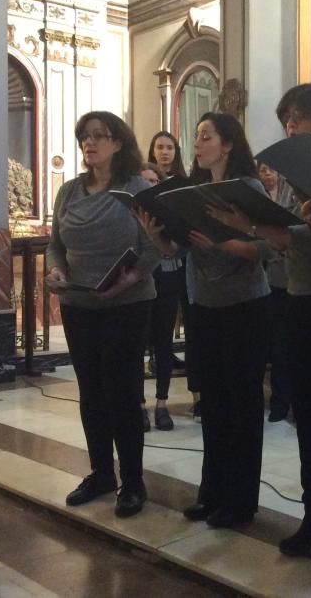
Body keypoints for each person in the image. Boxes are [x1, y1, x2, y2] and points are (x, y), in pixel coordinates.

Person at [209, 83, 311, 571]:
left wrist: (260, 230)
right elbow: (290, 236)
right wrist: (262, 225)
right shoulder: (286, 173)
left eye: (299, 117)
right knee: (308, 415)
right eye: (286, 118)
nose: (290, 126)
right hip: (300, 299)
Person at [141, 112, 271, 529]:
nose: (197, 143)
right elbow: (176, 251)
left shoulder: (247, 188)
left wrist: (222, 239)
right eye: (196, 137)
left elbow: (264, 249)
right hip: (203, 303)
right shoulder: (190, 192)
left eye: (206, 136)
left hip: (244, 304)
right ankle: (212, 492)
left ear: (228, 144)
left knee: (242, 405)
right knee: (212, 403)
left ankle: (240, 500)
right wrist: (155, 235)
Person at [46, 111, 160, 518]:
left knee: (122, 391)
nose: (89, 144)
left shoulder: (134, 190)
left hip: (127, 303)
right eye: (84, 137)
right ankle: (100, 473)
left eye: (99, 136)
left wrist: (128, 281)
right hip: (80, 303)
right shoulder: (70, 192)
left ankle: (132, 480)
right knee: (91, 391)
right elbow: (55, 243)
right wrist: (55, 270)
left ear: (118, 143)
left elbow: (155, 247)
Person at [147, 132, 200, 420]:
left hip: (178, 266)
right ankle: (143, 404)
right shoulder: (141, 181)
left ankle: (184, 397)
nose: (165, 152)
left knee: (179, 333)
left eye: (170, 147)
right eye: (160, 147)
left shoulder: (184, 183)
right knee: (148, 338)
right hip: (149, 269)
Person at [138, 162, 179, 432]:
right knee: (138, 345)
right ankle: (139, 405)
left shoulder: (169, 212)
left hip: (166, 280)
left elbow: (177, 247)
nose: (150, 186)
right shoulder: (131, 213)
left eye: (154, 181)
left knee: (163, 344)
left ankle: (162, 403)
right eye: (144, 182)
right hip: (139, 283)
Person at [257, 160, 291, 422]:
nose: (267, 172)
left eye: (271, 168)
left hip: (295, 273)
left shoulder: (288, 191)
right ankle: (279, 400)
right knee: (279, 343)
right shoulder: (257, 195)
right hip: (274, 277)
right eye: (263, 169)